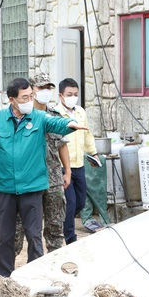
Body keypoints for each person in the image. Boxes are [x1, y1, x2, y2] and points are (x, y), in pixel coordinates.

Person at [0, 77, 89, 277]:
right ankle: (4, 277)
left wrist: (70, 123)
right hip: (5, 188)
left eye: (31, 96)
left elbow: (56, 123)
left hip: (32, 187)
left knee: (34, 234)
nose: (29, 100)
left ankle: (35, 275)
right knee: (6, 236)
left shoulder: (39, 117)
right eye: (24, 97)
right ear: (12, 100)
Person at [13, 73, 71, 255]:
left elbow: (61, 145)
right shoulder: (21, 116)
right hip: (28, 181)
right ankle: (11, 270)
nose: (45, 92)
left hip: (53, 179)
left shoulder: (54, 116)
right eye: (41, 88)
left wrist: (67, 170)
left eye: (48, 88)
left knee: (55, 226)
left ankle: (55, 264)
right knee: (21, 228)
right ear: (32, 91)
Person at [52, 78, 98, 244]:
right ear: (61, 95)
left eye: (76, 94)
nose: (73, 97)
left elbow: (87, 135)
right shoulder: (55, 114)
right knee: (70, 203)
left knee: (80, 202)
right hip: (64, 167)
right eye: (69, 94)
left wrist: (94, 153)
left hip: (79, 165)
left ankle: (61, 222)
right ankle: (70, 238)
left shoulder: (80, 112)